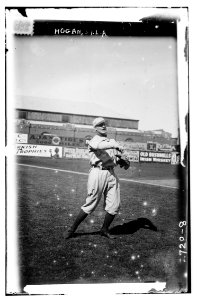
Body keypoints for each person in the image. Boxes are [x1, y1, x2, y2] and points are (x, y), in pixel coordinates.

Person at [65, 117, 124, 239]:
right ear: (95, 128)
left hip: (111, 173)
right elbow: (101, 147)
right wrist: (115, 145)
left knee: (114, 205)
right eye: (100, 125)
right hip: (97, 173)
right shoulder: (94, 141)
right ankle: (72, 229)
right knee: (91, 203)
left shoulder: (110, 141)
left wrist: (120, 160)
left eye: (104, 124)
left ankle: (104, 229)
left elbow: (112, 158)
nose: (103, 126)